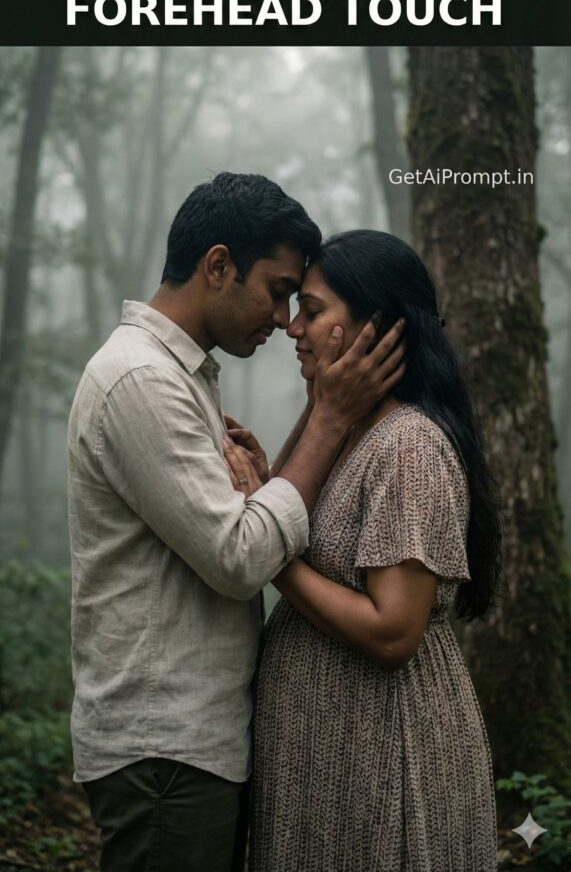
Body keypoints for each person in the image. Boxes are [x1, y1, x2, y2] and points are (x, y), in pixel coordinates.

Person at [67, 176, 405, 872]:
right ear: (217, 266)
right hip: (165, 750)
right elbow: (238, 556)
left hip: (190, 746)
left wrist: (273, 474)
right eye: (277, 289)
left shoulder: (177, 374)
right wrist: (330, 416)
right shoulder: (141, 380)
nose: (284, 320)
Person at [224, 229, 501, 872]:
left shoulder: (408, 447)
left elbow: (392, 631)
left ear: (373, 329)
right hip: (328, 755)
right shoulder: (352, 430)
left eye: (314, 311)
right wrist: (272, 487)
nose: (294, 327)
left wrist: (275, 556)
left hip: (381, 750)